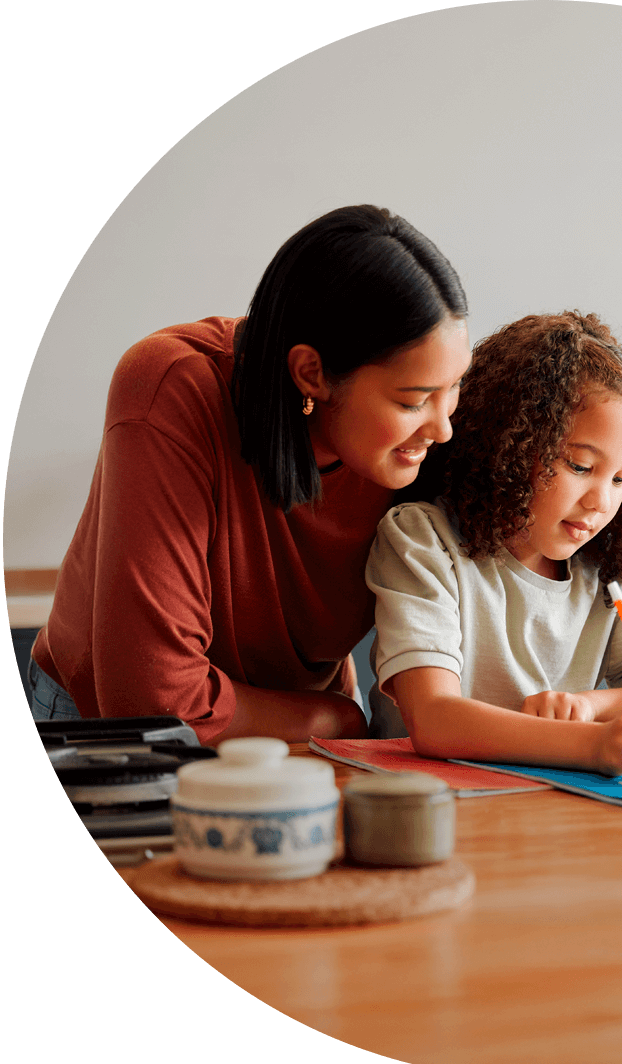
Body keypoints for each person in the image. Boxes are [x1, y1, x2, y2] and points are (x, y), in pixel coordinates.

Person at [28, 205, 472, 745]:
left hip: (302, 719)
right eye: (413, 401)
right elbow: (155, 704)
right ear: (312, 373)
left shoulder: (413, 442)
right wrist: (340, 718)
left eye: (453, 389)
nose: (443, 428)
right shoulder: (172, 388)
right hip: (120, 734)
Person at [365, 311, 622, 777]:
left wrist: (592, 705)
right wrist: (593, 742)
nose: (601, 501)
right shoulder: (424, 541)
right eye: (580, 466)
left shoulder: (612, 568)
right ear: (509, 444)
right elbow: (434, 719)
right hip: (425, 805)